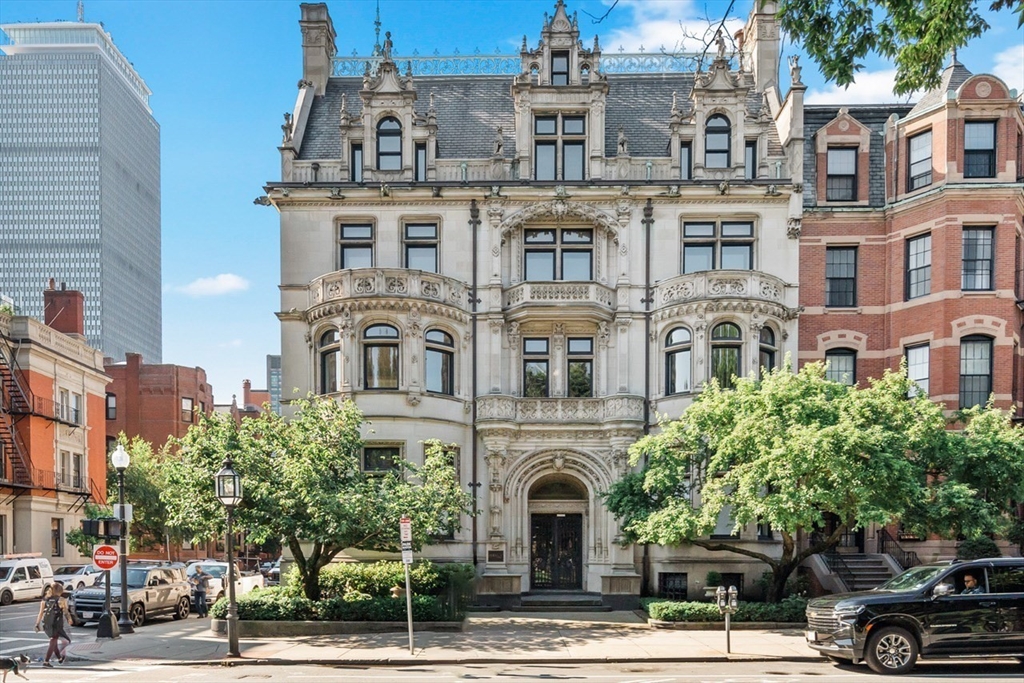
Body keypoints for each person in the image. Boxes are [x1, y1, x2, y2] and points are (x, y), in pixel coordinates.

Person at [34, 583, 71, 667]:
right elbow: (65, 611)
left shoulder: (44, 600)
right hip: (56, 623)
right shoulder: (61, 599)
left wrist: (37, 623)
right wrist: (69, 619)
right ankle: (46, 661)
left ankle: (59, 658)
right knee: (54, 640)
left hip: (46, 623)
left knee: (53, 641)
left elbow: (40, 613)